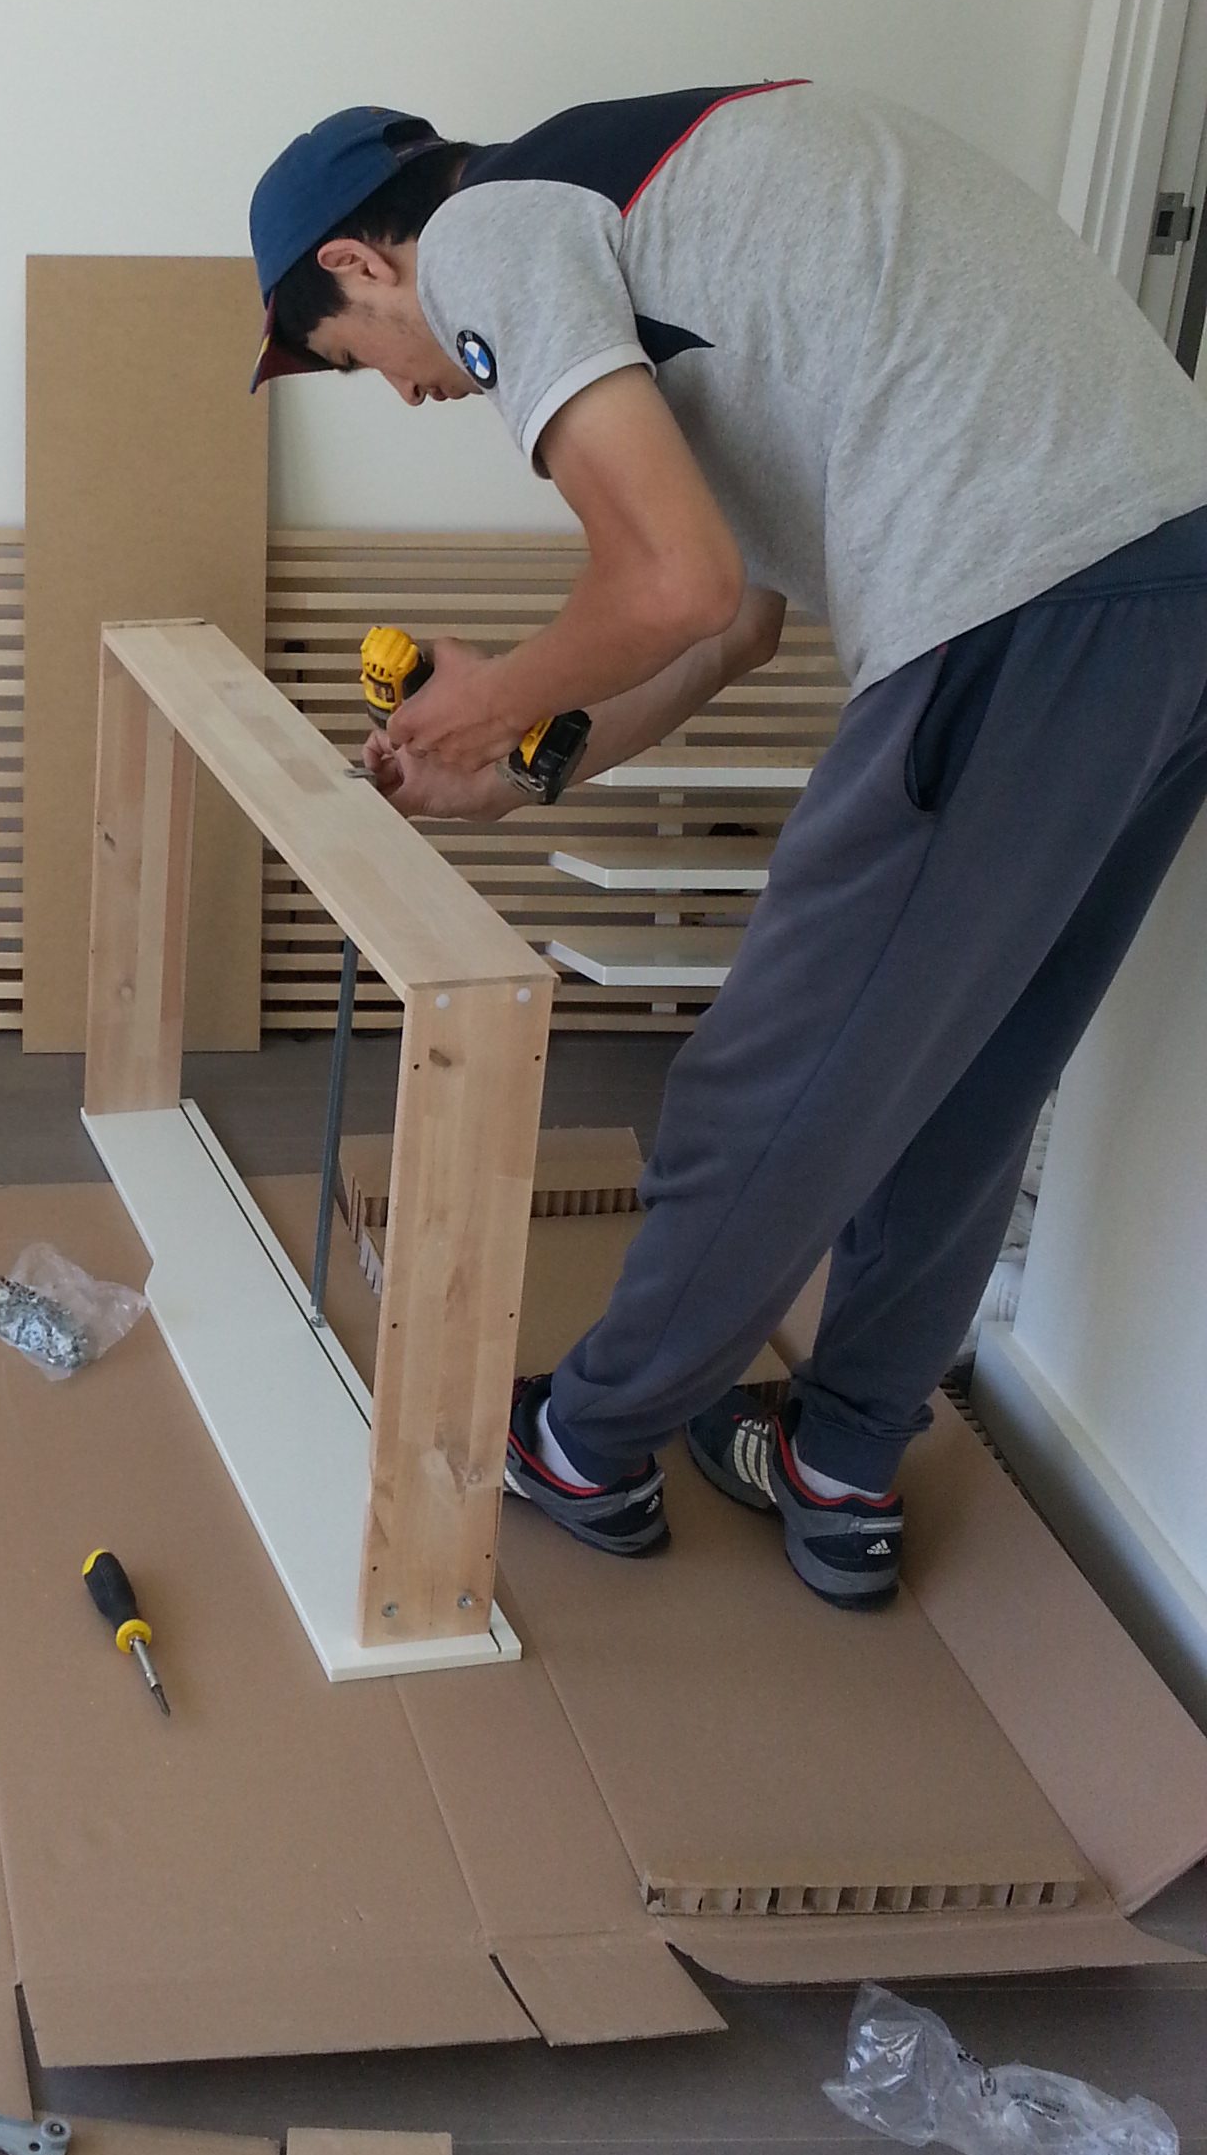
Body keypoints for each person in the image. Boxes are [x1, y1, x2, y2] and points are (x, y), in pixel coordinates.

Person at [248, 83, 1207, 1606]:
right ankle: (843, 1460)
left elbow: (673, 585)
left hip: (1017, 587)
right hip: (1169, 578)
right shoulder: (685, 239)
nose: (409, 394)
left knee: (765, 1078)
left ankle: (590, 1442)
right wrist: (525, 771)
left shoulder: (486, 231)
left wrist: (485, 702)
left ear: (361, 265)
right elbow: (730, 627)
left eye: (356, 359)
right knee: (975, 1062)